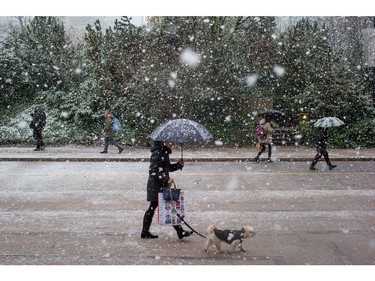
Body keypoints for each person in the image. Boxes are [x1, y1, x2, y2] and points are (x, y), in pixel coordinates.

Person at [141, 141, 193, 239]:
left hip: (159, 185)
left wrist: (178, 165)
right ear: (163, 141)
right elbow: (154, 170)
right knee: (165, 206)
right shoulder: (158, 152)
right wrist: (166, 179)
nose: (172, 143)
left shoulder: (163, 152)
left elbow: (166, 168)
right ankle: (180, 231)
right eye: (170, 141)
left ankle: (145, 231)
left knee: (156, 207)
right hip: (156, 185)